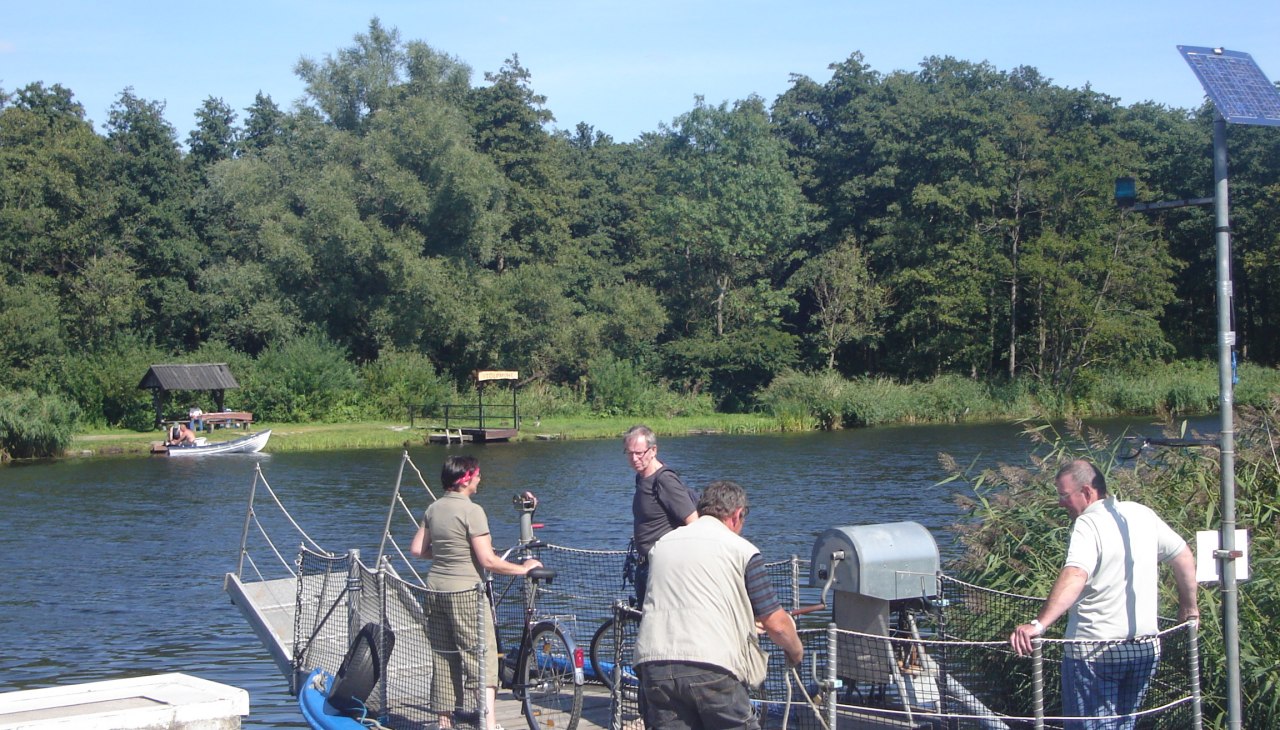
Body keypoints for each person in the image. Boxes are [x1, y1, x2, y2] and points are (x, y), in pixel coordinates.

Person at [1009, 459, 1199, 730]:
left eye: (1064, 495)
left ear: (1087, 492)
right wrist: (1189, 607)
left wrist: (1038, 625)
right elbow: (1182, 556)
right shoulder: (1141, 513)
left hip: (1094, 654)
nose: (1060, 503)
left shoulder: (1088, 524)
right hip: (1144, 650)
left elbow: (1076, 574)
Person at [634, 480, 804, 730]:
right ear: (737, 515)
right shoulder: (742, 550)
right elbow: (776, 624)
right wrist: (796, 652)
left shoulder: (661, 545)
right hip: (711, 666)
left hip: (654, 663)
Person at [411, 455, 542, 730]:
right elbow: (488, 561)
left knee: (443, 655)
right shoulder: (473, 511)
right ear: (466, 479)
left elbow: (417, 550)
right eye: (477, 475)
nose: (480, 479)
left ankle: (444, 723)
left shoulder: (433, 508)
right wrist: (524, 569)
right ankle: (488, 723)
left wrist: (449, 553)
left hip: (435, 590)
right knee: (480, 656)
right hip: (466, 594)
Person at [623, 424, 698, 600]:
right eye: (629, 453)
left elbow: (693, 522)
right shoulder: (641, 477)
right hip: (645, 567)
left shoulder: (665, 480)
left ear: (653, 450)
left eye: (639, 453)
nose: (634, 458)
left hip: (663, 570)